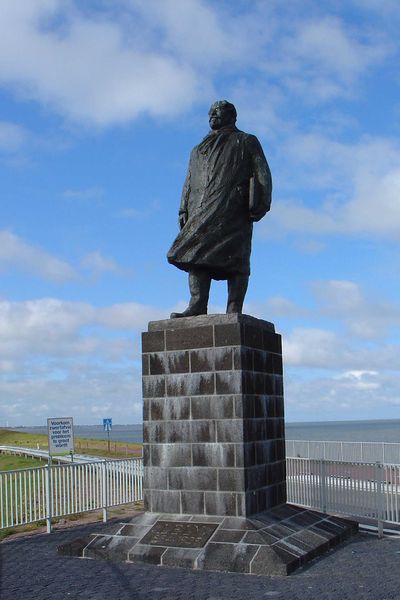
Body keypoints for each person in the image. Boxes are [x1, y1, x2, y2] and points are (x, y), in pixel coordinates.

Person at [167, 100, 272, 318]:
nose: (211, 114)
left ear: (232, 116)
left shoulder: (246, 141)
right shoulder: (198, 149)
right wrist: (182, 208)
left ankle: (234, 307)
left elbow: (262, 174)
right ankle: (197, 304)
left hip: (232, 208)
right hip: (200, 208)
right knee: (193, 252)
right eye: (210, 112)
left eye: (217, 111)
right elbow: (189, 179)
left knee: (237, 257)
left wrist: (260, 203)